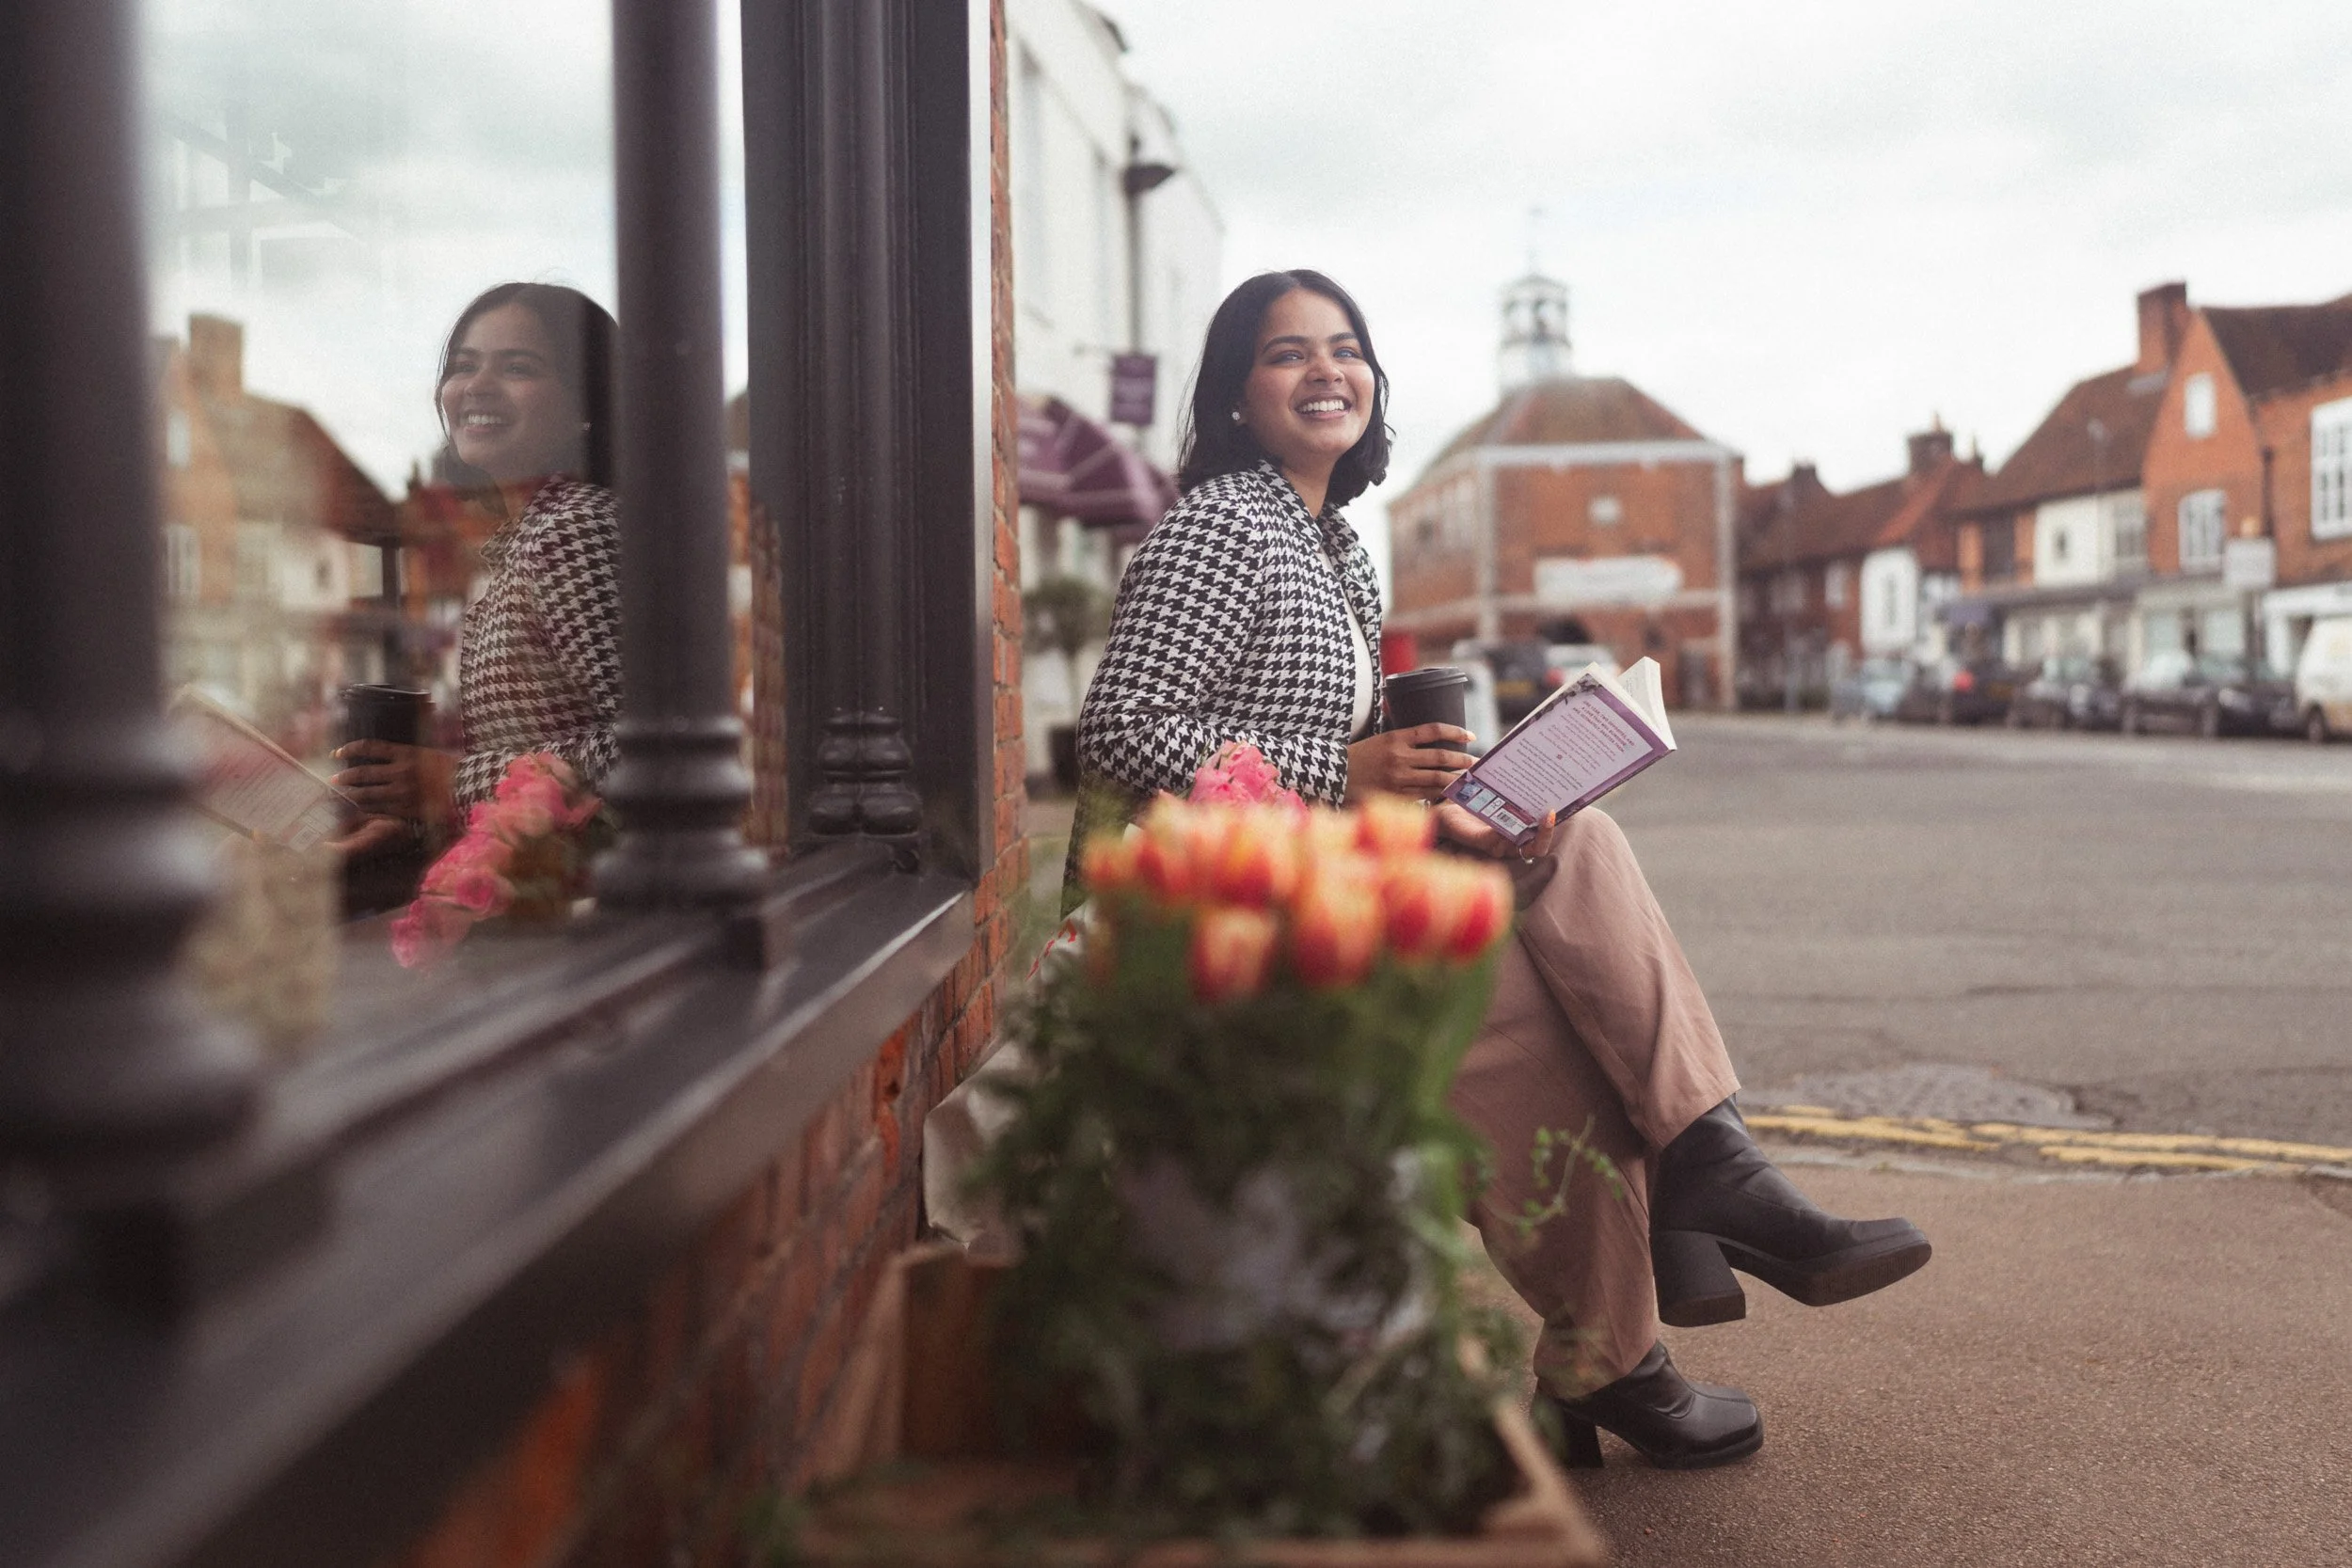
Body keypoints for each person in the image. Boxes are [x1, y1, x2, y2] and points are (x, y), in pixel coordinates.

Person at [1067, 269, 1931, 1470]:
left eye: (1347, 348)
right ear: (1232, 396)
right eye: (1287, 354)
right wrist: (1352, 767)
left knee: (1541, 975)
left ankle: (1620, 1334)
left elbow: (1338, 775)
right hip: (1204, 916)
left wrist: (1463, 796)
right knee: (1578, 858)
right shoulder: (1223, 523)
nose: (1328, 369)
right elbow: (1120, 732)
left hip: (1306, 883)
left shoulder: (1333, 547)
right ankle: (1694, 1190)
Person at [333, 283, 622, 853]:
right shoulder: (528, 537)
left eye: (518, 367)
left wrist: (450, 782)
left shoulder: (574, 530)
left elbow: (650, 749)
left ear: (585, 403)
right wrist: (414, 825)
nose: (477, 387)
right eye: (463, 366)